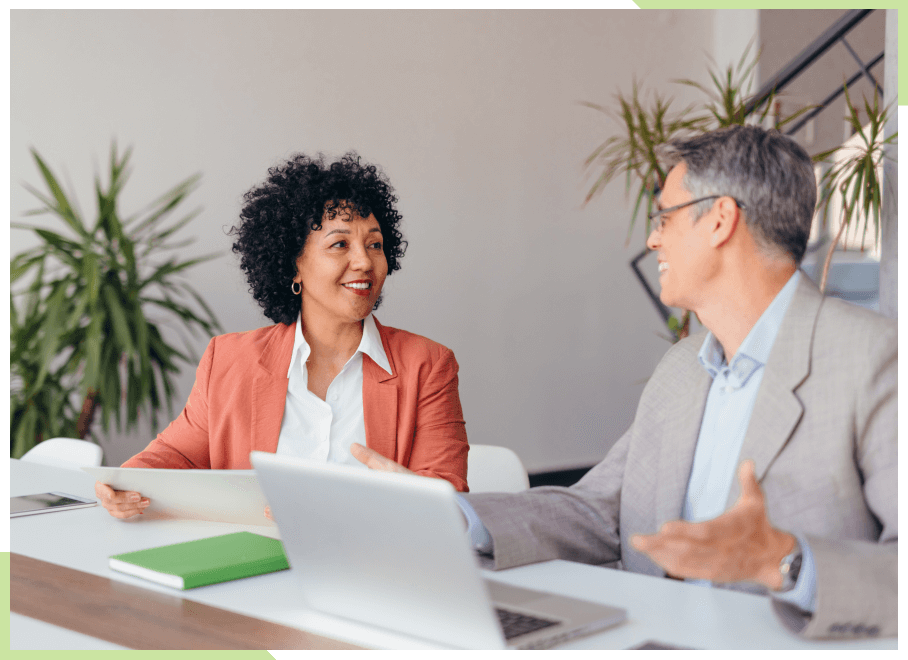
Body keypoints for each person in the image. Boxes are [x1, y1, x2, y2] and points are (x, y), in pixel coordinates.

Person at [354, 126, 898, 639]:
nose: (653, 239)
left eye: (665, 216)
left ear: (719, 221)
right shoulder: (684, 368)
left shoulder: (871, 359)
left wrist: (784, 562)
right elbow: (599, 511)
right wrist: (446, 515)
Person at [96, 152, 470, 518]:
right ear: (294, 266)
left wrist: (370, 504)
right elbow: (178, 454)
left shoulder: (428, 366)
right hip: (250, 563)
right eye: (340, 244)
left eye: (374, 244)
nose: (364, 261)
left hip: (370, 566)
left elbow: (450, 501)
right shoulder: (229, 359)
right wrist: (122, 483)